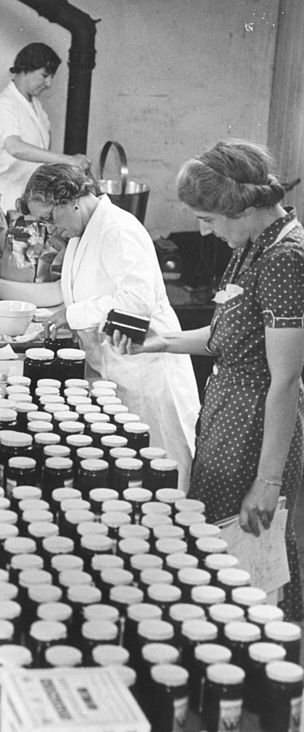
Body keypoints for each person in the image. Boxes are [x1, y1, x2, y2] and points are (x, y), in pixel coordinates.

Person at [114, 140, 304, 618]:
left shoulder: (284, 259)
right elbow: (229, 336)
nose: (205, 229)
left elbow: (284, 380)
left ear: (239, 207)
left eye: (209, 218)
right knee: (217, 561)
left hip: (255, 432)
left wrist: (268, 481)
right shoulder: (253, 245)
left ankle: (261, 672)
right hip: (227, 418)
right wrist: (160, 342)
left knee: (248, 567)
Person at [22, 162, 200, 490]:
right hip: (115, 371)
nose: (49, 229)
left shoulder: (118, 230)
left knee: (163, 475)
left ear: (70, 200)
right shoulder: (83, 232)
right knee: (129, 482)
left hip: (147, 372)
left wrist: (71, 315)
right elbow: (93, 292)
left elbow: (136, 301)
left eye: (48, 218)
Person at [0, 42, 90, 257]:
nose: (49, 83)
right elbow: (15, 147)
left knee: (16, 265)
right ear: (25, 69)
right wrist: (68, 160)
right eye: (44, 75)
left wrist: (69, 166)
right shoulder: (4, 105)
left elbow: (38, 154)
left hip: (23, 194)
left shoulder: (34, 106)